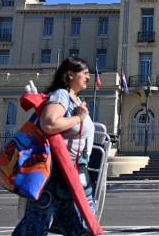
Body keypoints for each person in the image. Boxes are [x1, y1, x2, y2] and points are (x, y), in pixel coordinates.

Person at [13, 57, 97, 236]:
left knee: (82, 228)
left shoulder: (74, 99)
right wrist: (78, 118)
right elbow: (49, 124)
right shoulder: (61, 95)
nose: (88, 77)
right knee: (35, 227)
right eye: (85, 73)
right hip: (57, 175)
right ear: (70, 75)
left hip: (73, 174)